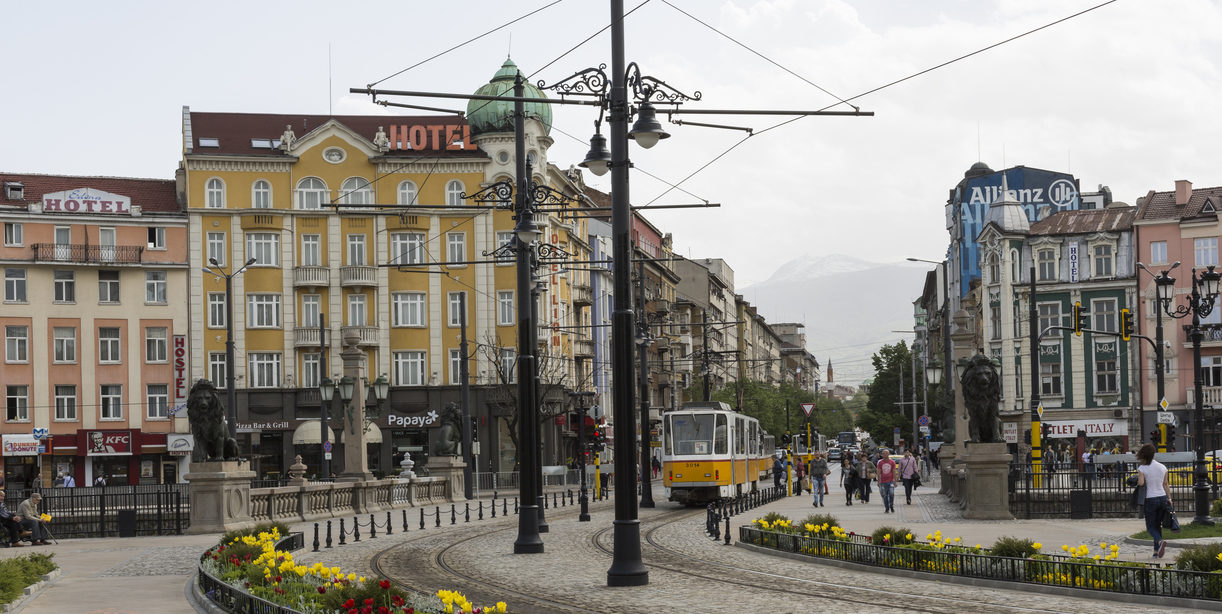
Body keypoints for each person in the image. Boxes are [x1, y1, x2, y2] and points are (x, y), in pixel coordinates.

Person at [1136, 443, 1171, 558]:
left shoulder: (1142, 468)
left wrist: (1138, 480)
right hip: (1162, 497)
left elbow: (1141, 483)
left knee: (1150, 526)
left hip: (1150, 498)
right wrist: (1169, 498)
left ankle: (1160, 542)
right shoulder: (1162, 467)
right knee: (1157, 525)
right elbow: (1165, 484)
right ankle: (1156, 552)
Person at [876, 448, 898, 513]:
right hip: (883, 481)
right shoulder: (880, 463)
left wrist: (895, 481)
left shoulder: (892, 462)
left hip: (891, 480)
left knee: (891, 493)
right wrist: (878, 481)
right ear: (882, 455)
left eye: (886, 453)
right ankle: (887, 508)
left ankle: (891, 505)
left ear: (888, 454)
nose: (885, 454)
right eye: (883, 453)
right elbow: (878, 472)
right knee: (885, 495)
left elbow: (894, 471)